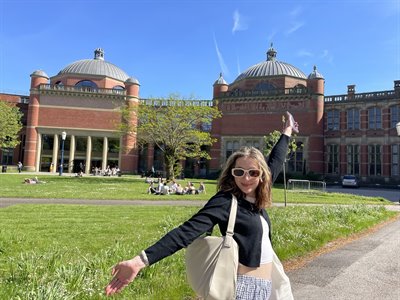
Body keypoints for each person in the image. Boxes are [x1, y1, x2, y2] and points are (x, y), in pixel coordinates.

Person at [105, 111, 299, 299]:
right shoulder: (225, 201)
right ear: (232, 173)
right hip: (241, 289)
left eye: (253, 173)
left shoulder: (256, 196)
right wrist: (140, 261)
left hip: (265, 287)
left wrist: (287, 131)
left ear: (261, 175)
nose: (246, 178)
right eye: (239, 172)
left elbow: (276, 159)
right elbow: (187, 231)